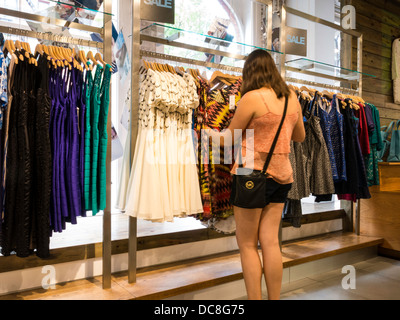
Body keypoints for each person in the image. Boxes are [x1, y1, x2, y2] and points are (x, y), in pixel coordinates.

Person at [207, 49, 305, 300]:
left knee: (248, 245)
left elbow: (227, 141)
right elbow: (300, 136)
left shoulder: (251, 98)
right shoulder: (291, 97)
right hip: (283, 174)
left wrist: (205, 131)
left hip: (251, 172)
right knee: (271, 242)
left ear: (250, 71)